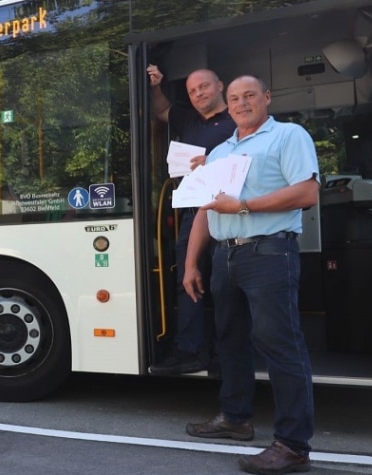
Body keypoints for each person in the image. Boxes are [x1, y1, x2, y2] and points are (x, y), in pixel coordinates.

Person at [182, 75, 318, 475]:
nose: (241, 104)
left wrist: (243, 206)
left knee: (280, 345)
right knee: (230, 342)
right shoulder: (221, 150)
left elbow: (307, 192)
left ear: (266, 98)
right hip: (226, 257)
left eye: (250, 96)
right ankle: (236, 418)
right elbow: (206, 209)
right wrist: (191, 263)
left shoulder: (288, 135)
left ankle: (293, 445)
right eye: (236, 98)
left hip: (269, 251)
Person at [147, 65, 235, 375]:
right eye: (192, 90)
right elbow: (162, 112)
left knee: (226, 285)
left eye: (204, 87)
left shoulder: (238, 120)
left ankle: (228, 355)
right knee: (189, 281)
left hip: (228, 213)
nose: (198, 94)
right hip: (192, 213)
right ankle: (190, 350)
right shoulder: (189, 118)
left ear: (220, 86)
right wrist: (156, 87)